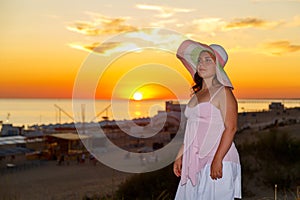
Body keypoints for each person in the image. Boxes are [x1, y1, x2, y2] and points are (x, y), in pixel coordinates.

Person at [173, 39, 241, 199]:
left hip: (218, 158)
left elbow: (231, 128)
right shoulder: (197, 95)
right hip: (195, 160)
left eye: (207, 60)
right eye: (199, 60)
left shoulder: (223, 92)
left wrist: (218, 160)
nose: (201, 64)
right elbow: (192, 130)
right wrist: (179, 155)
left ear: (217, 67)